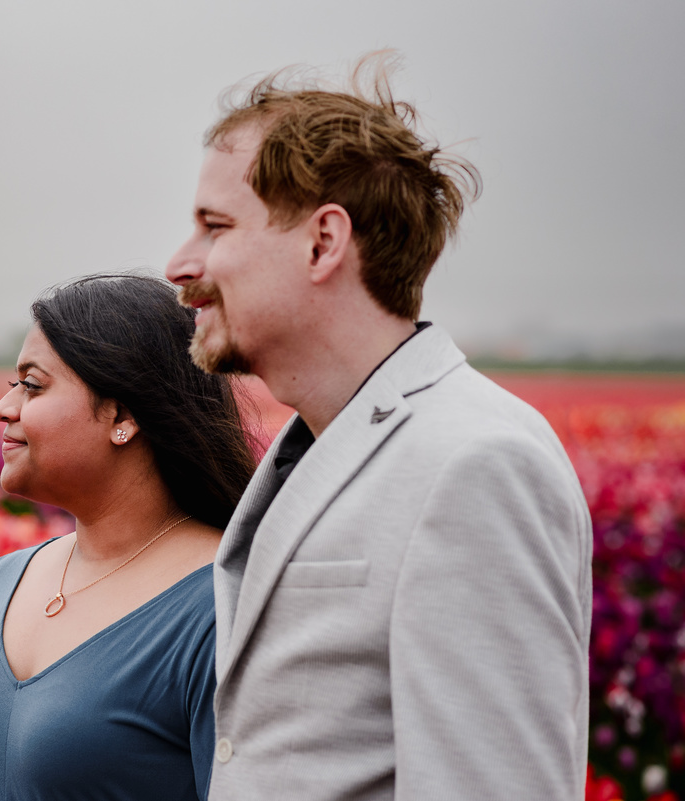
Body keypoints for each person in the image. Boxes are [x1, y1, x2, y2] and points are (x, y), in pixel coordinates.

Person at [164, 54, 592, 799]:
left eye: (215, 226)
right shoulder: (320, 441)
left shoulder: (475, 460)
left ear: (324, 242)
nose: (179, 263)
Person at [0, 274, 257, 800]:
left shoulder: (223, 607)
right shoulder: (4, 581)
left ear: (122, 415)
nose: (3, 408)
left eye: (32, 385)